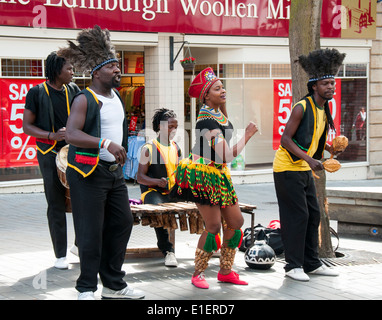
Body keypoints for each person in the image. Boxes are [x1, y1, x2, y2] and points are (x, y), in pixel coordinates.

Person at [58, 25, 145, 300]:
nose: (118, 70)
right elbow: (71, 134)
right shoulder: (85, 98)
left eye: (118, 66)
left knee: (122, 224)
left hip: (114, 174)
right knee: (90, 232)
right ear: (97, 72)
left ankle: (113, 285)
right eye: (112, 67)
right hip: (87, 174)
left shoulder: (117, 96)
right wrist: (105, 143)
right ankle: (86, 288)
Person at [170, 67, 258, 289]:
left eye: (223, 86)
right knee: (213, 225)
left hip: (218, 174)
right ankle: (198, 273)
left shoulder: (218, 113)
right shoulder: (206, 121)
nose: (223, 90)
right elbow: (226, 155)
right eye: (217, 88)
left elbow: (226, 133)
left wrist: (223, 101)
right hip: (202, 175)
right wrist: (247, 135)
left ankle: (226, 271)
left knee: (236, 222)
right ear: (206, 96)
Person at [273, 48, 345, 281]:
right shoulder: (301, 107)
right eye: (326, 84)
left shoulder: (324, 109)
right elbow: (285, 140)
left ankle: (311, 263)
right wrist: (310, 159)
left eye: (332, 84)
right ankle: (293, 266)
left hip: (303, 169)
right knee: (298, 216)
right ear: (314, 86)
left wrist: (330, 150)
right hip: (286, 169)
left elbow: (313, 138)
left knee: (314, 216)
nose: (331, 88)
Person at [23, 52, 80, 269]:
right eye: (69, 69)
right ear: (57, 71)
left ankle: (78, 245)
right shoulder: (36, 92)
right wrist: (51, 135)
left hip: (73, 154)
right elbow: (27, 126)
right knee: (55, 203)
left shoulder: (74, 90)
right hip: (48, 154)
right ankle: (60, 255)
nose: (73, 72)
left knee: (80, 200)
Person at [137, 108, 181, 267]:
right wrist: (157, 182)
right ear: (160, 127)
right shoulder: (147, 148)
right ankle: (168, 251)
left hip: (171, 191)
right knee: (160, 211)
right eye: (170, 127)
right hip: (152, 191)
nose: (174, 130)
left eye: (175, 127)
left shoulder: (176, 147)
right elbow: (139, 177)